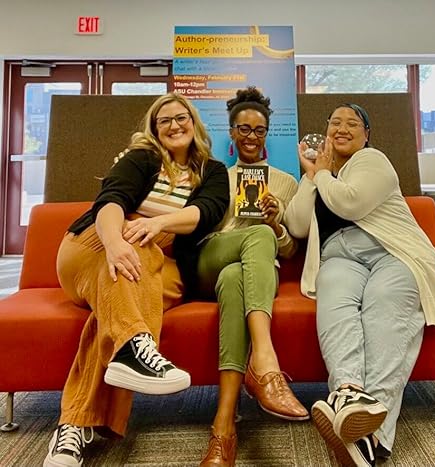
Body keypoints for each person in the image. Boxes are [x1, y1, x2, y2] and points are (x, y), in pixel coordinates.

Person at [44, 92, 230, 467]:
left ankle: (73, 425)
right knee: (134, 248)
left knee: (117, 299)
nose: (174, 125)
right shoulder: (142, 158)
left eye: (181, 117)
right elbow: (112, 200)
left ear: (194, 122)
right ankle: (135, 347)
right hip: (95, 246)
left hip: (163, 262)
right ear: (154, 130)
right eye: (165, 121)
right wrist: (116, 242)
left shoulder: (212, 170)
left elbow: (207, 211)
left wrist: (158, 223)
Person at [284, 103, 435, 466]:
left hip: (393, 252)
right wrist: (311, 176)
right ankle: (349, 392)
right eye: (335, 122)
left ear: (366, 134)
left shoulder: (373, 161)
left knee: (384, 310)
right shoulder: (322, 175)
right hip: (339, 256)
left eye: (352, 123)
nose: (342, 128)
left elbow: (351, 203)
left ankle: (371, 436)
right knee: (335, 305)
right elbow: (297, 225)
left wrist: (322, 175)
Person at [197, 86, 308, 467]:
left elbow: (289, 250)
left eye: (259, 130)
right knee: (250, 242)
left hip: (254, 272)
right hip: (214, 257)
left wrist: (276, 223)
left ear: (267, 134)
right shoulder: (216, 176)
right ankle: (265, 362)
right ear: (231, 132)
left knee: (236, 276)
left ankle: (223, 428)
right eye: (243, 129)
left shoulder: (285, 182)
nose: (251, 137)